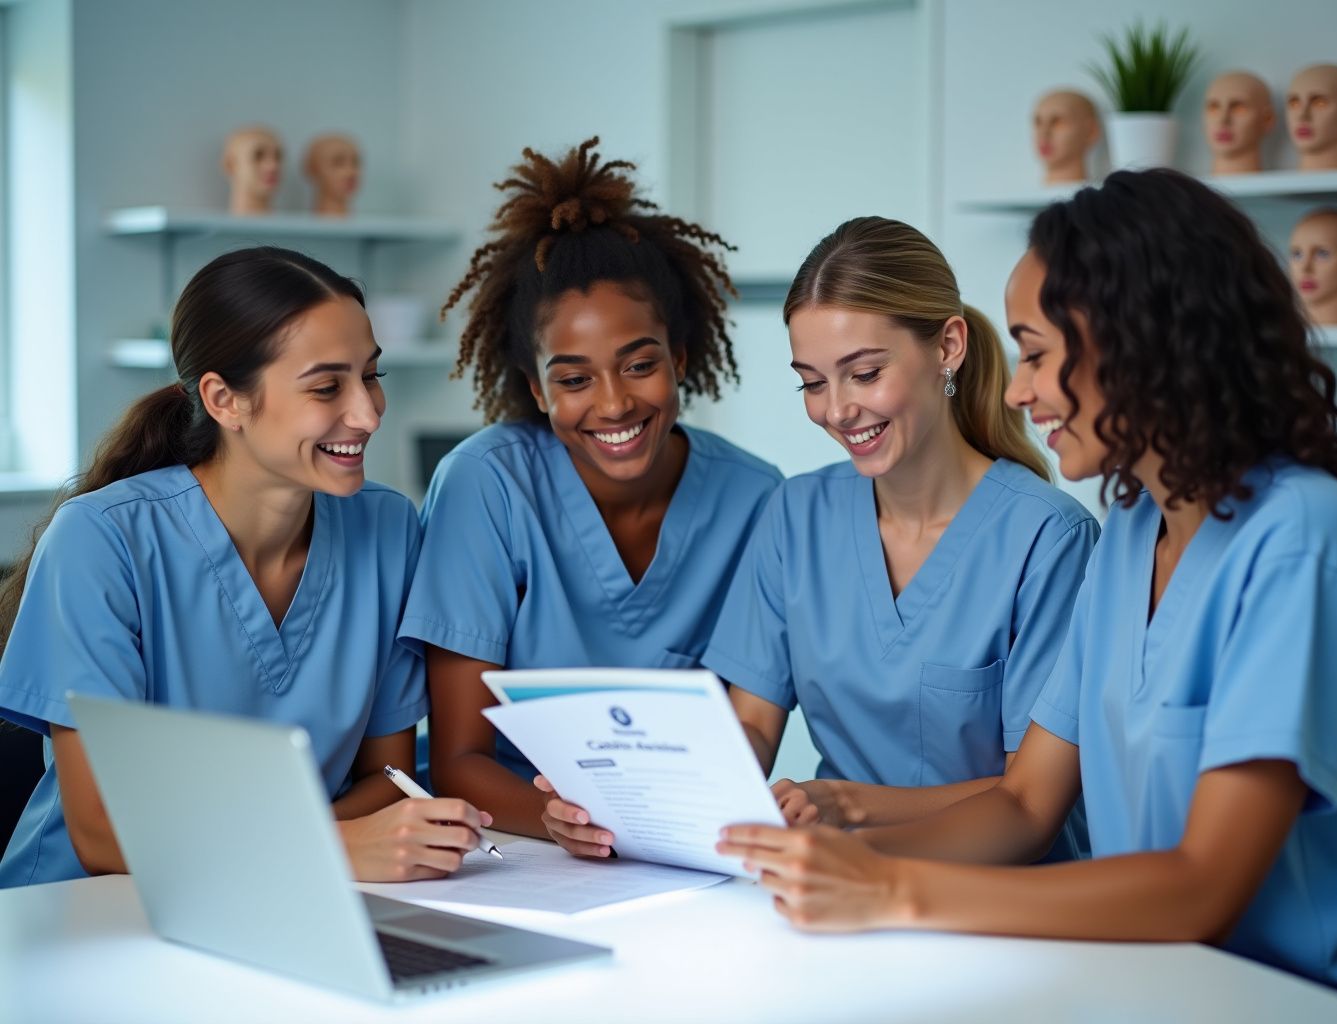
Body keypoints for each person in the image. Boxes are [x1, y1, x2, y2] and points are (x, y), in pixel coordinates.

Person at [718, 171, 1337, 1022]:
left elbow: (1204, 888)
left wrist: (892, 888)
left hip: (1307, 1005)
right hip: (1146, 989)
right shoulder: (1132, 534)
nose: (1017, 390)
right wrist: (847, 862)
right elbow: (1025, 804)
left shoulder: (1304, 540)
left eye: (1037, 354)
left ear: (1142, 344)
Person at [544, 216, 1096, 858]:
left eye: (865, 374)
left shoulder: (1048, 539)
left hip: (991, 889)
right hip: (826, 880)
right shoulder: (797, 514)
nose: (836, 410)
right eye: (811, 382)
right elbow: (750, 727)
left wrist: (847, 810)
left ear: (948, 346)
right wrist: (620, 797)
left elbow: (1028, 800)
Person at [0, 247, 490, 888]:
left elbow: (387, 779)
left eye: (372, 376)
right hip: (90, 908)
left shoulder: (388, 528)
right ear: (224, 399)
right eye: (326, 387)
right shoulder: (101, 539)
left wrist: (310, 855)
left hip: (286, 897)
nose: (368, 414)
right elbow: (99, 833)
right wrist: (327, 848)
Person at [399, 138, 782, 839]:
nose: (613, 404)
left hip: (674, 838)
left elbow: (742, 743)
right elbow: (457, 762)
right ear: (535, 390)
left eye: (639, 365)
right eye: (574, 379)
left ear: (680, 359)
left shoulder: (755, 499)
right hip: (509, 838)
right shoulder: (487, 485)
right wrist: (560, 820)